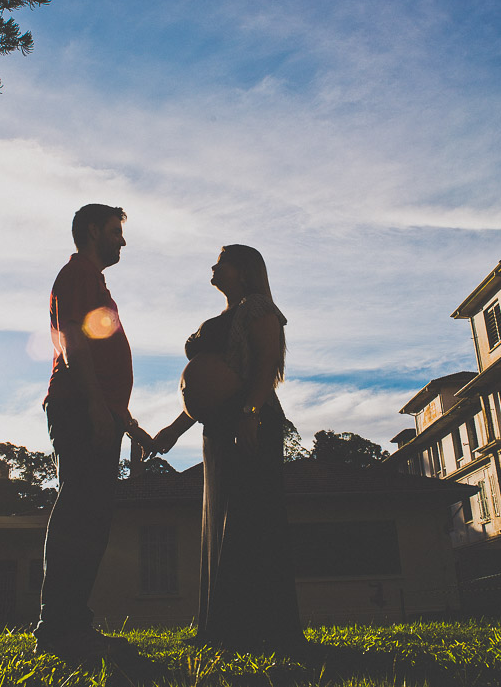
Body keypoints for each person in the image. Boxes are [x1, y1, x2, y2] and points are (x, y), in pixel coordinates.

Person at [153, 244, 304, 650]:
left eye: (221, 262)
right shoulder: (225, 315)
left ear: (242, 270)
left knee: (249, 516)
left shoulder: (258, 309)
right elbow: (208, 387)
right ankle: (222, 626)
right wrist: (174, 428)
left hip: (247, 422)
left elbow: (265, 365)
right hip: (218, 427)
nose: (214, 267)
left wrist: (250, 413)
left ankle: (258, 628)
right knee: (220, 518)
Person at [35, 204, 153, 658]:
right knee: (80, 514)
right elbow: (74, 346)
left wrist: (125, 422)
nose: (121, 241)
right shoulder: (76, 275)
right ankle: (59, 628)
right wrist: (96, 409)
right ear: (91, 231)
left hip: (95, 411)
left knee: (92, 516)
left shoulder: (93, 281)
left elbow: (102, 365)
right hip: (79, 410)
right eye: (115, 232)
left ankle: (71, 623)